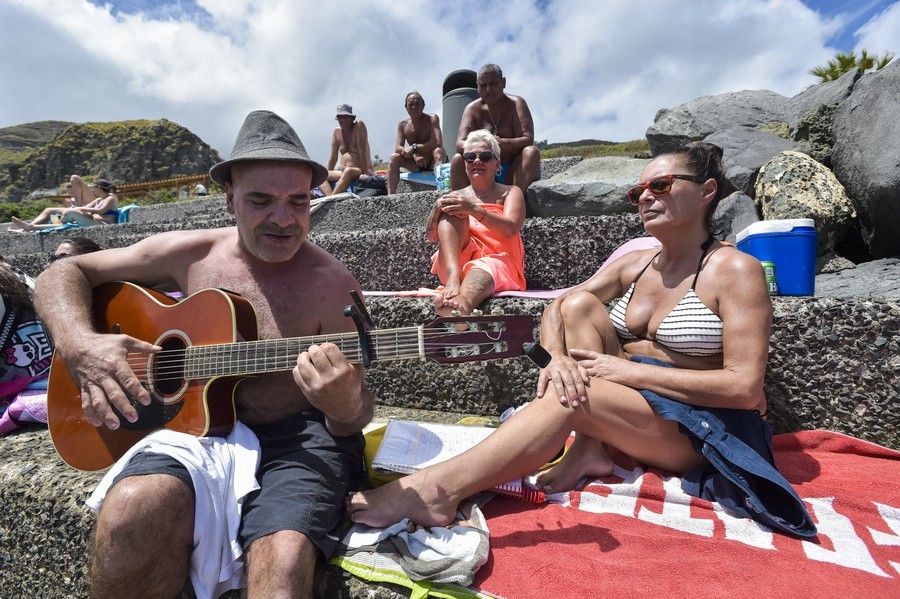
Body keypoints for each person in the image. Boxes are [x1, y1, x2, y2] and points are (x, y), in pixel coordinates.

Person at [348, 142, 815, 538]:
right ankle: (589, 448)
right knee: (576, 308)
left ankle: (437, 492)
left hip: (700, 427)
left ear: (707, 192)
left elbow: (744, 388)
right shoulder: (638, 263)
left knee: (577, 392)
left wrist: (619, 371)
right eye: (638, 192)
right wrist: (555, 362)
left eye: (661, 186)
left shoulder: (734, 270)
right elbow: (557, 305)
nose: (645, 198)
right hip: (636, 402)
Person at [34, 110, 374, 597]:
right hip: (190, 427)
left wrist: (344, 408)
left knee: (282, 572)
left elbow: (357, 413)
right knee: (132, 513)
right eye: (261, 200)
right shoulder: (187, 252)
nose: (283, 218)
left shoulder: (335, 286)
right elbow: (60, 276)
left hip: (297, 440)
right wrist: (81, 345)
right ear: (230, 197)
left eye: (298, 201)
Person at [425, 129, 525, 316]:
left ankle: (461, 305)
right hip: (454, 266)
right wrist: (436, 209)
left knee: (482, 267)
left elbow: (511, 228)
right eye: (470, 157)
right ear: (465, 165)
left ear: (497, 164)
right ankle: (454, 280)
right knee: (452, 209)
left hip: (499, 263)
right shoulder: (457, 195)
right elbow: (431, 237)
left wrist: (474, 210)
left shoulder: (511, 192)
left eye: (485, 156)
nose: (477, 161)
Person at [449, 64, 541, 196]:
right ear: (477, 87)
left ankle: (512, 201)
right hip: (482, 168)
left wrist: (501, 143)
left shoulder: (516, 104)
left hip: (513, 170)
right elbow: (459, 144)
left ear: (503, 83)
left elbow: (528, 139)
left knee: (531, 152)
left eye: (493, 83)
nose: (488, 89)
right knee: (457, 159)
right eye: (483, 85)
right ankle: (465, 206)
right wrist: (485, 146)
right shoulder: (472, 109)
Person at [387, 91, 446, 194]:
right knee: (394, 158)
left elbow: (437, 142)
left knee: (439, 151)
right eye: (411, 104)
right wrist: (414, 154)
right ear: (406, 107)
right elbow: (398, 147)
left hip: (432, 162)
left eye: (417, 104)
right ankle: (390, 196)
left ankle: (440, 191)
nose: (414, 107)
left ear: (423, 105)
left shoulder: (432, 119)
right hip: (415, 165)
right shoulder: (403, 125)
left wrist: (414, 147)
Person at [12, 178, 119, 232]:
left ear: (99, 188)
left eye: (93, 187)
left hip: (103, 225)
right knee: (60, 212)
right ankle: (30, 227)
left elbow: (100, 211)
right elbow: (84, 208)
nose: (92, 189)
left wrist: (82, 210)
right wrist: (70, 210)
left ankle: (30, 227)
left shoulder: (111, 198)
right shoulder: (98, 200)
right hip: (93, 220)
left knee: (71, 213)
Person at [322, 104, 373, 196]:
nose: (342, 120)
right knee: (321, 175)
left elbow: (362, 151)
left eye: (345, 117)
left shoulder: (359, 126)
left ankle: (332, 198)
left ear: (351, 118)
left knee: (348, 171)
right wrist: (328, 175)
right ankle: (329, 198)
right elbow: (333, 158)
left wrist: (365, 173)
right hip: (343, 172)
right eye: (339, 117)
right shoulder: (336, 132)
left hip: (360, 169)